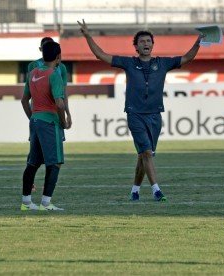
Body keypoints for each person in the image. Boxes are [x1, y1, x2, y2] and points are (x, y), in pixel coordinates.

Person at [77, 19, 205, 201]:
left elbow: (188, 58)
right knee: (146, 153)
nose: (146, 44)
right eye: (142, 42)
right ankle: (157, 191)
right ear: (136, 47)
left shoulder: (162, 63)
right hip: (135, 114)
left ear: (153, 45)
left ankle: (135, 191)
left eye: (148, 41)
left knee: (144, 156)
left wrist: (199, 40)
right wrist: (88, 36)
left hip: (155, 116)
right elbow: (101, 55)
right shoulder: (128, 63)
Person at [20, 41, 70, 211]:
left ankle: (26, 203)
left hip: (35, 121)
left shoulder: (33, 72)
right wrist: (63, 122)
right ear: (58, 57)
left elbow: (24, 100)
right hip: (49, 122)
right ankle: (46, 204)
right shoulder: (54, 75)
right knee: (55, 163)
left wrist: (33, 118)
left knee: (32, 163)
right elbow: (60, 104)